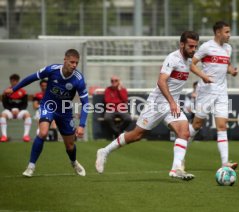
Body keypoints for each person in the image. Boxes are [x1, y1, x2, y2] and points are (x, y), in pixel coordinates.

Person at [96, 31, 201, 180]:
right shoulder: (172, 58)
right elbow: (161, 81)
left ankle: (176, 169)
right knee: (136, 135)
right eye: (191, 46)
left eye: (196, 46)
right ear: (182, 44)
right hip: (157, 103)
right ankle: (104, 151)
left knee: (184, 132)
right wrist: (172, 102)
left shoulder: (188, 60)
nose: (194, 50)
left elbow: (193, 67)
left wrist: (204, 77)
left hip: (172, 104)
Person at [4, 49, 88, 177]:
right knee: (42, 133)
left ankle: (74, 162)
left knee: (70, 145)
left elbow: (85, 103)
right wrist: (14, 89)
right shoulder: (52, 70)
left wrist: (81, 125)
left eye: (76, 63)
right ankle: (31, 166)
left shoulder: (79, 79)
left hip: (65, 111)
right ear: (65, 60)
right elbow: (31, 78)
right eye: (72, 62)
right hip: (48, 106)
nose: (74, 65)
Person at [189, 21, 238, 170]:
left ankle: (225, 163)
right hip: (206, 91)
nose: (229, 35)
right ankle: (181, 150)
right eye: (227, 32)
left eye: (229, 32)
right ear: (218, 32)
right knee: (197, 125)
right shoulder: (206, 47)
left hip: (222, 92)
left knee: (222, 126)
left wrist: (231, 70)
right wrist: (203, 76)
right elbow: (191, 64)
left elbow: (226, 65)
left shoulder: (228, 48)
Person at [0, 74, 32, 142]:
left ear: (18, 82)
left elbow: (25, 104)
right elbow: (5, 104)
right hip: (9, 111)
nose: (14, 83)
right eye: (12, 81)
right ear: (10, 81)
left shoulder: (23, 92)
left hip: (20, 111)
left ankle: (26, 136)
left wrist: (18, 110)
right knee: (3, 115)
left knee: (27, 115)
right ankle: (4, 136)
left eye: (15, 81)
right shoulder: (6, 92)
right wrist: (11, 110)